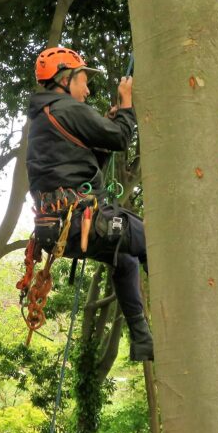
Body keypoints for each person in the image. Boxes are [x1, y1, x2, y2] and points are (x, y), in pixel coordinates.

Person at [25, 46, 153, 361]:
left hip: (56, 228)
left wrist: (105, 127)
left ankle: (143, 341)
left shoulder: (46, 116)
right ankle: (177, 311)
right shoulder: (66, 108)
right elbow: (121, 139)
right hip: (79, 219)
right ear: (65, 79)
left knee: (125, 259)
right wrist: (126, 105)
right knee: (153, 240)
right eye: (83, 80)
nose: (87, 89)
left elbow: (87, 163)